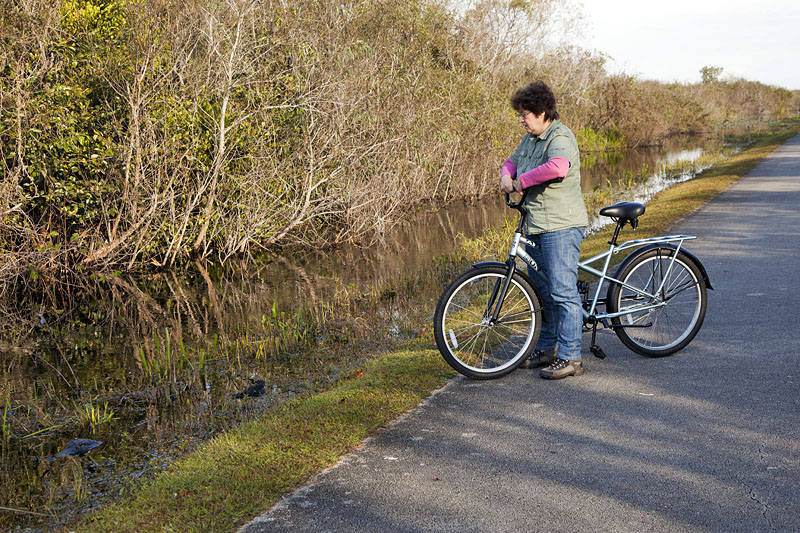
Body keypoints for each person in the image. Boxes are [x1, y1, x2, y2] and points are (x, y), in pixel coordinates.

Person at [499, 81, 588, 379]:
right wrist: (506, 175)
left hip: (561, 224)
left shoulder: (560, 137)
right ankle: (548, 347)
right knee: (542, 291)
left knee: (563, 291)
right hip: (535, 223)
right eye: (520, 114)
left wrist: (520, 182)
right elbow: (510, 162)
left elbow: (557, 168)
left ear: (542, 113)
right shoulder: (530, 139)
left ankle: (571, 356)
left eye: (524, 114)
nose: (521, 120)